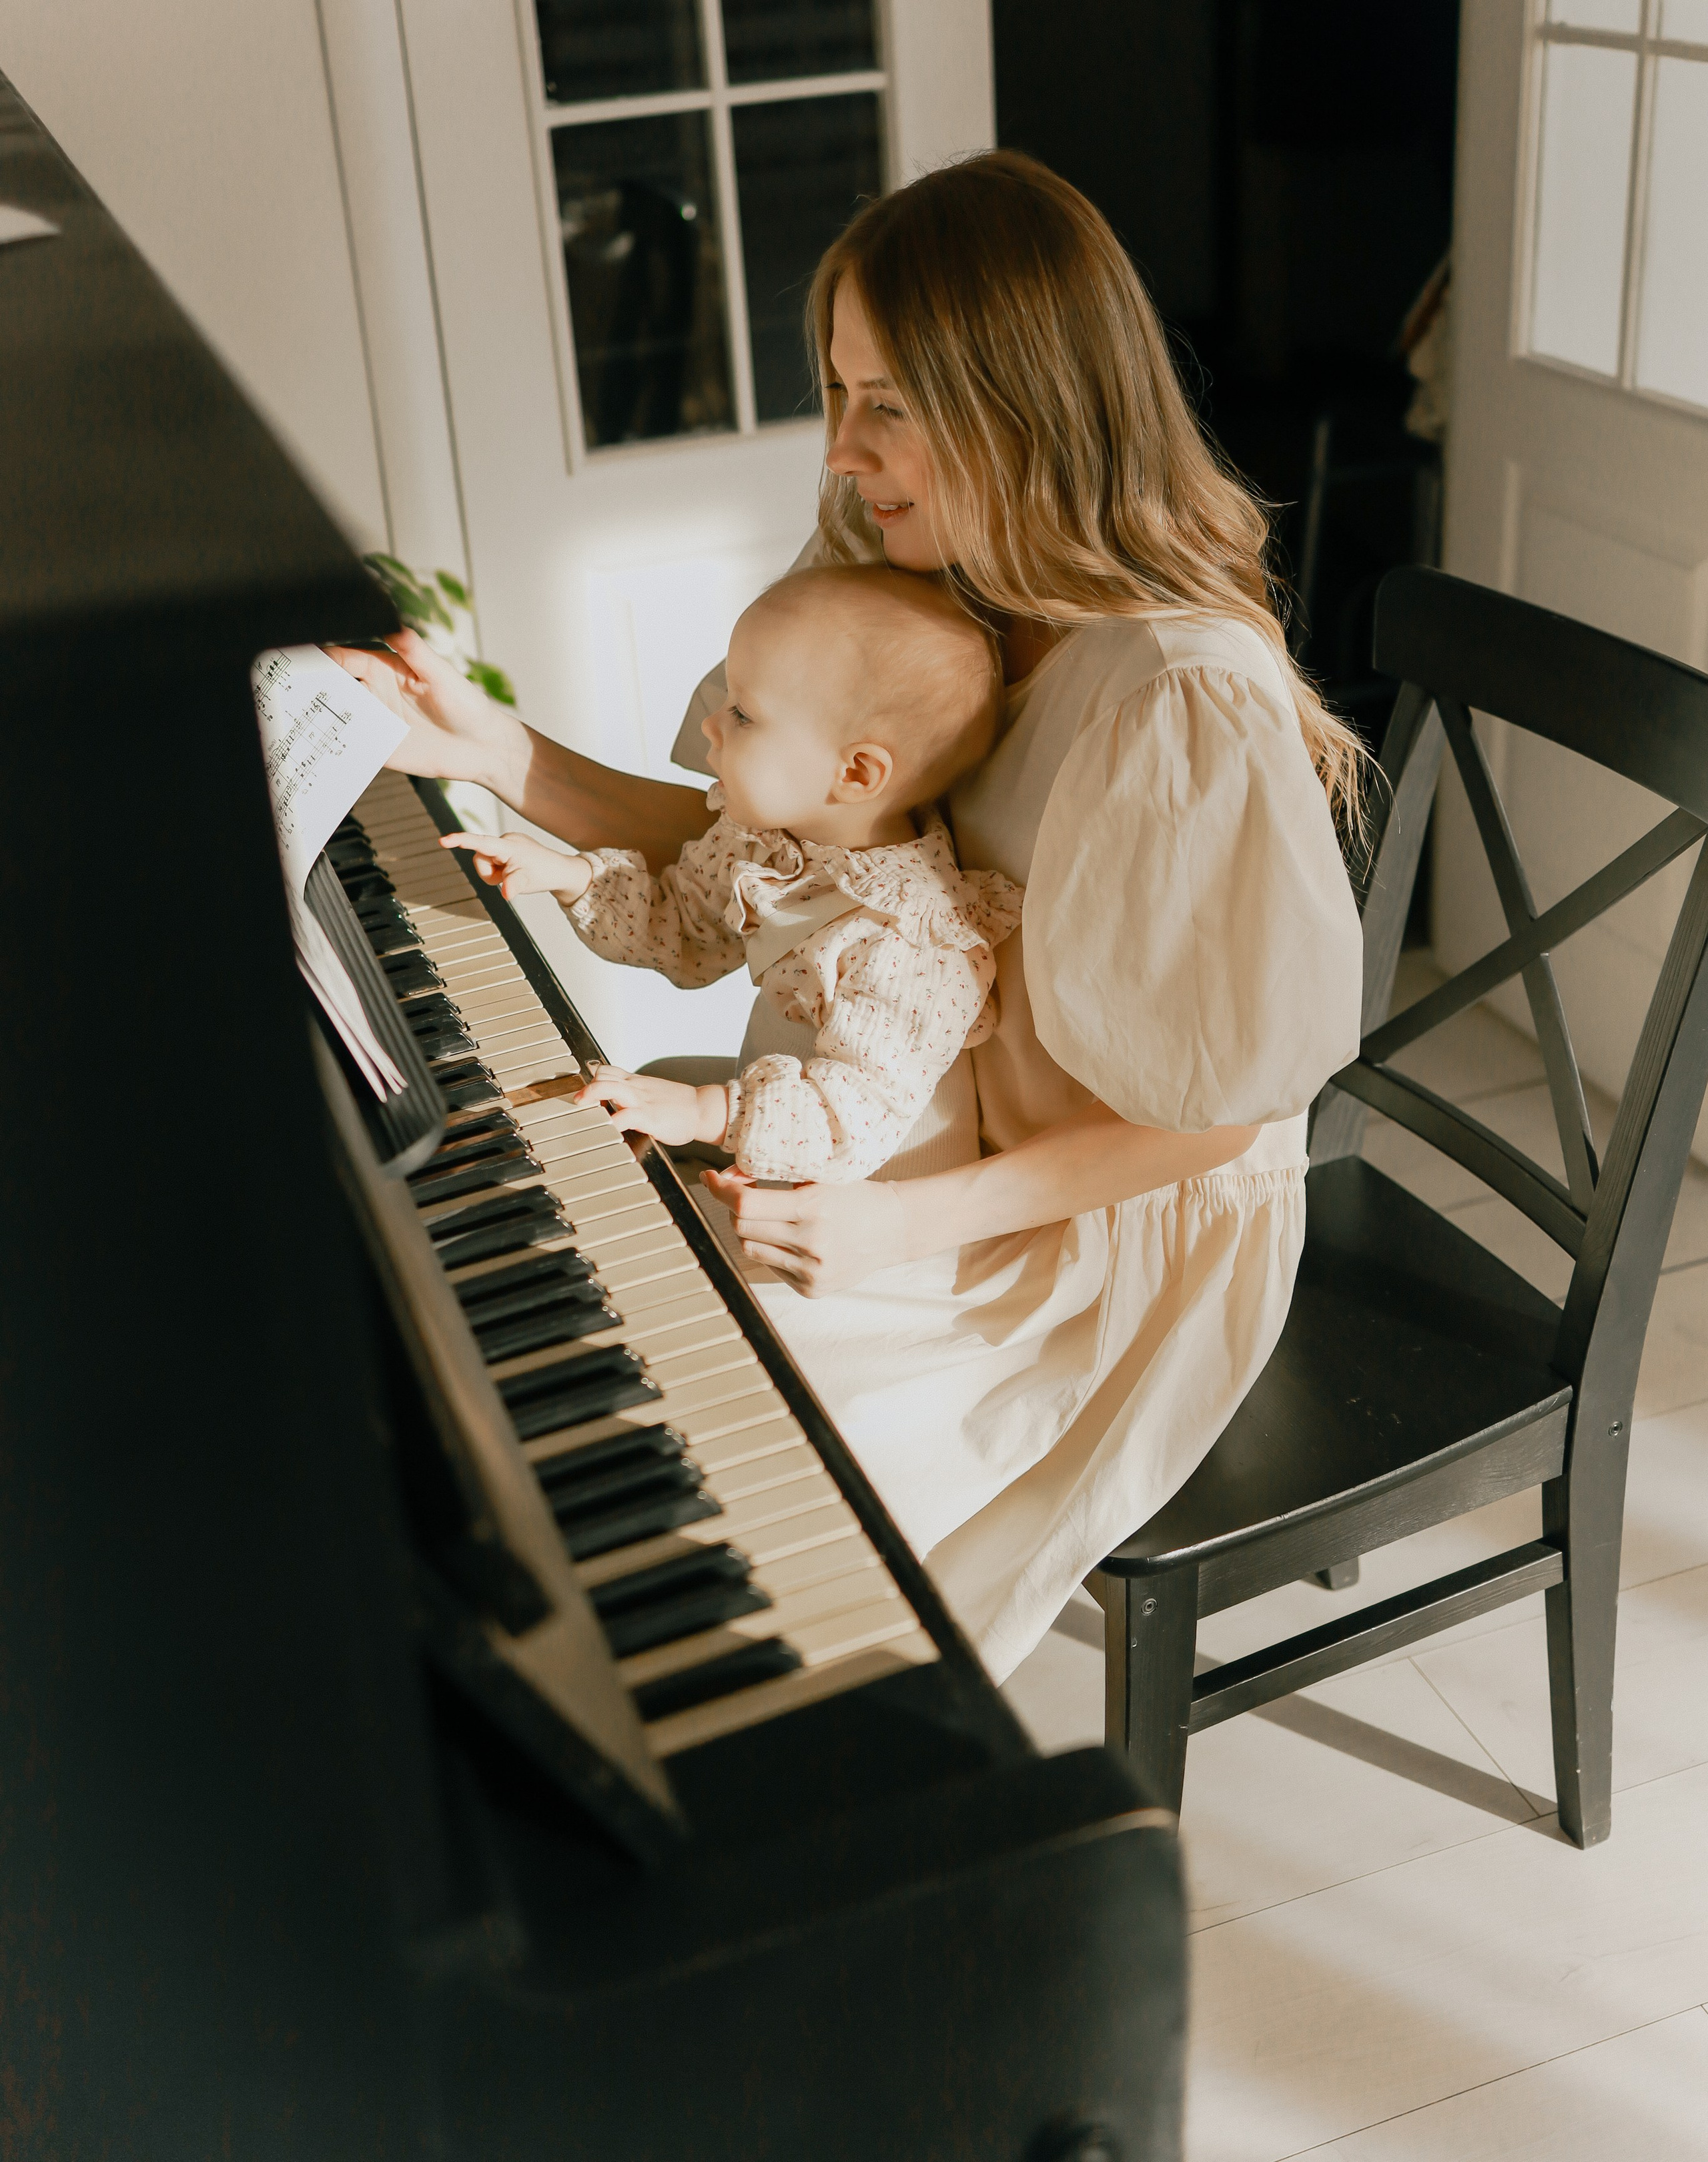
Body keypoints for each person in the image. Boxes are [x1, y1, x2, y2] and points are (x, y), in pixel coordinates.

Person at [332, 151, 1364, 1682]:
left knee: (696, 1442)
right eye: (836, 391)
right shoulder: (929, 577)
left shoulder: (1173, 692)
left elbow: (1222, 1119)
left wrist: (900, 1221)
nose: (839, 448)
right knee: (584, 1267)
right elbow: (769, 839)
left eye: (884, 402)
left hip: (1091, 1220)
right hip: (908, 1118)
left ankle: (742, 1729)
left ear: (1020, 401)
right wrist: (502, 758)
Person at [440, 565, 1022, 1186]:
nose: (710, 725)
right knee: (644, 1086)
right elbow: (684, 930)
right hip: (777, 1133)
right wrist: (570, 875)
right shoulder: (769, 845)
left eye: (743, 714)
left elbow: (846, 1123)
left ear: (855, 773)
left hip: (867, 1195)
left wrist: (702, 1112)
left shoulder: (915, 938)